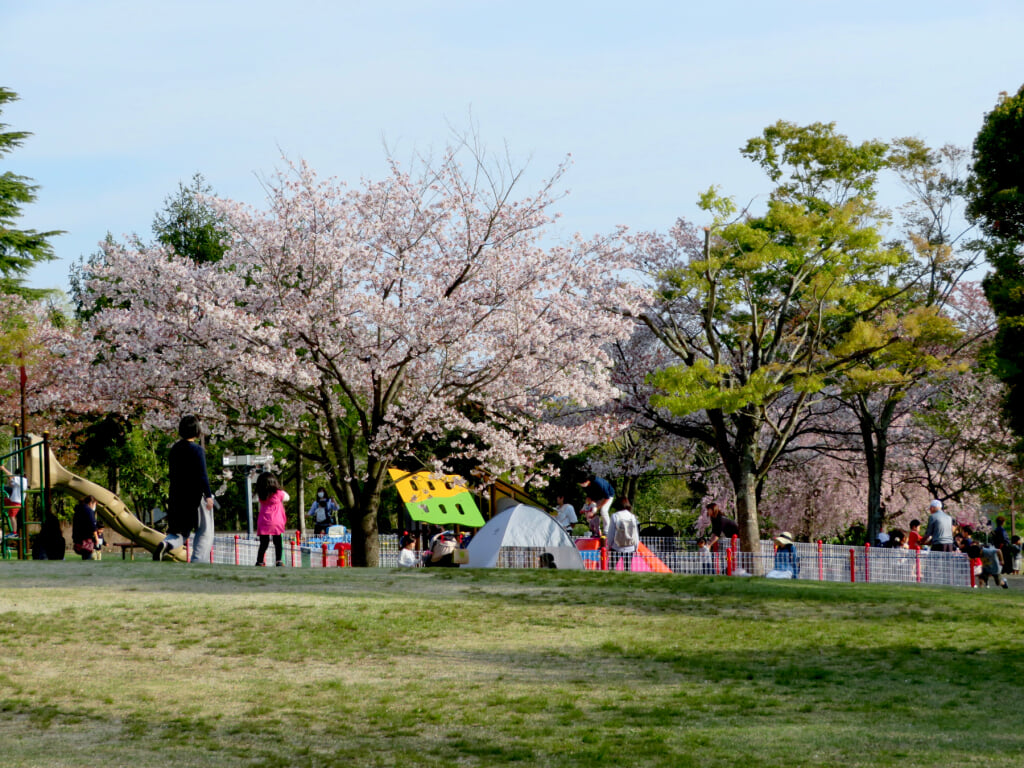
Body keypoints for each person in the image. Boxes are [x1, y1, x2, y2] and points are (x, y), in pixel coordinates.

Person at [154, 415, 215, 563]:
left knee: (180, 531)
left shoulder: (174, 449)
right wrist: (208, 495)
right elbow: (202, 474)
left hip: (176, 496)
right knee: (205, 530)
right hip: (195, 496)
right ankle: (198, 560)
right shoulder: (197, 450)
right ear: (197, 430)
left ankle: (167, 544)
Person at [255, 471, 289, 567]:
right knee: (278, 542)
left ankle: (260, 561)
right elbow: (287, 497)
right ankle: (279, 560)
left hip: (263, 521)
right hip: (276, 521)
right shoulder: (279, 493)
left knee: (263, 543)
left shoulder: (261, 495)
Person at [607, 498, 639, 571]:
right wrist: (636, 546)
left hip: (617, 546)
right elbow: (635, 533)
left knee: (611, 567)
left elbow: (611, 532)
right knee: (627, 568)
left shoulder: (615, 516)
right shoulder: (632, 516)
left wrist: (609, 544)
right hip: (630, 546)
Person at [71, 495, 101, 560]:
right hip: (87, 540)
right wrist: (96, 538)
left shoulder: (78, 510)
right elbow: (92, 525)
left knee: (85, 558)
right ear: (91, 503)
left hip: (78, 539)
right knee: (88, 558)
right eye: (95, 504)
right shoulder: (88, 511)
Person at [2, 464, 28, 534]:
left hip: (17, 502)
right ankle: (3, 512)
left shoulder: (23, 480)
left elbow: (11, 476)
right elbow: (11, 484)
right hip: (12, 500)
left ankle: (14, 532)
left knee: (12, 516)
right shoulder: (19, 481)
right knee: (2, 500)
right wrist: (9, 479)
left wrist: (3, 469)